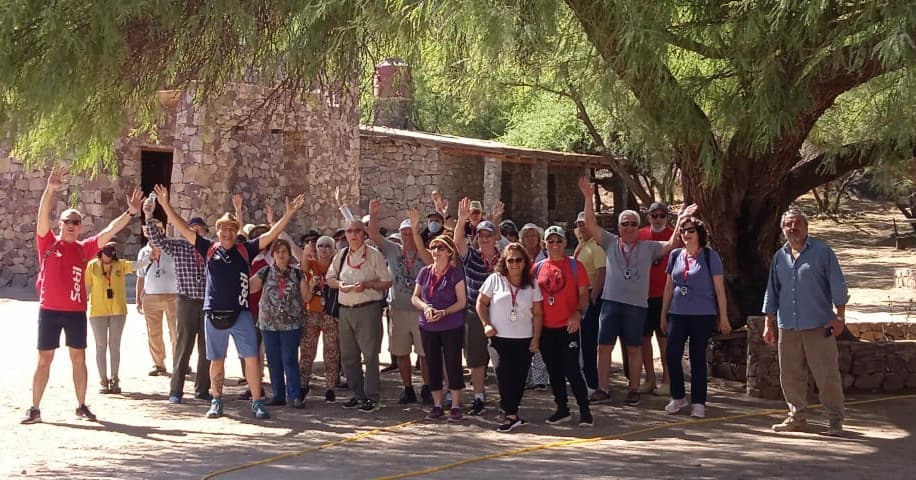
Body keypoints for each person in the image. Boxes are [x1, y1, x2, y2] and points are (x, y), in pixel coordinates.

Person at [151, 184, 304, 420]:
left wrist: (289, 213)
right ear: (218, 231)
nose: (227, 233)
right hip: (213, 314)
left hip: (241, 314)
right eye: (223, 229)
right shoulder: (208, 248)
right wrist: (165, 205)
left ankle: (257, 402)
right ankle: (217, 400)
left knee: (251, 360)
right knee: (216, 362)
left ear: (236, 231)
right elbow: (183, 228)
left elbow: (271, 236)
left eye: (232, 229)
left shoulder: (246, 250)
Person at [22, 166, 142, 425]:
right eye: (68, 222)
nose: (72, 226)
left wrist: (131, 213)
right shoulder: (48, 243)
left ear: (80, 227)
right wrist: (50, 190)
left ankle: (80, 405)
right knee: (45, 359)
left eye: (76, 222)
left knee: (79, 358)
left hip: (75, 311)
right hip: (49, 310)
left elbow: (109, 231)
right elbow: (42, 215)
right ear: (60, 224)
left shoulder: (83, 248)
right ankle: (34, 408)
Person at [578, 176, 694, 406]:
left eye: (633, 223)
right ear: (619, 228)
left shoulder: (648, 247)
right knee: (604, 347)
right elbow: (591, 225)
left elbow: (671, 245)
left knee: (633, 347)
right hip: (611, 303)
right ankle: (602, 389)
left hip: (636, 306)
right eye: (625, 224)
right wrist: (588, 197)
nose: (629, 227)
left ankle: (633, 388)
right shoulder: (610, 242)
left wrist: (680, 220)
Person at [763, 208, 848, 436]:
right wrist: (768, 323)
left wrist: (839, 316)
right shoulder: (779, 256)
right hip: (788, 325)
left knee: (827, 375)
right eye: (788, 224)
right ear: (782, 229)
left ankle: (835, 420)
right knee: (790, 375)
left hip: (819, 325)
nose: (793, 228)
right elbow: (772, 290)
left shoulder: (822, 252)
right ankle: (797, 417)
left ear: (806, 226)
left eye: (798, 223)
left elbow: (838, 284)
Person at [659, 217, 731, 418]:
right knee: (672, 354)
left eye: (690, 230)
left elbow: (719, 289)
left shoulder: (710, 256)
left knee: (697, 358)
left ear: (699, 233)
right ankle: (678, 396)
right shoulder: (675, 255)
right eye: (682, 230)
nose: (686, 234)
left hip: (702, 314)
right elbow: (668, 287)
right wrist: (663, 314)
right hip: (677, 313)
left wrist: (723, 317)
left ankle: (699, 402)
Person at [144, 208, 212, 404]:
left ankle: (202, 389)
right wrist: (149, 216)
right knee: (183, 347)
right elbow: (157, 242)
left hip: (206, 302)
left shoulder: (209, 249)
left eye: (201, 230)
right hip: (186, 301)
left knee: (206, 349)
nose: (198, 233)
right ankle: (176, 390)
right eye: (194, 229)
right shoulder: (179, 246)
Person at [368, 199, 431, 405]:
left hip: (420, 311)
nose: (406, 237)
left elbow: (429, 262)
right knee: (402, 352)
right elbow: (374, 236)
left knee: (424, 354)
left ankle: (427, 387)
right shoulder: (393, 250)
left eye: (410, 233)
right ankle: (407, 388)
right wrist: (373, 215)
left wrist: (416, 233)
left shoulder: (423, 252)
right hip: (398, 310)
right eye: (403, 233)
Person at [327, 219, 393, 413]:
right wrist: (340, 285)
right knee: (348, 357)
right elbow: (329, 278)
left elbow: (387, 282)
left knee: (371, 356)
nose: (353, 234)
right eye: (349, 231)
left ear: (364, 233)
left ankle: (372, 397)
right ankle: (357, 395)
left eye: (357, 230)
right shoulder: (340, 255)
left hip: (368, 309)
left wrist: (368, 285)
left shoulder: (374, 255)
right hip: (345, 310)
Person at [477, 243, 543, 432]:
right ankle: (510, 415)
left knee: (519, 377)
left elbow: (538, 314)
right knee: (503, 374)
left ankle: (511, 412)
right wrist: (486, 324)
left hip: (524, 338)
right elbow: (481, 303)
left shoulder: (532, 283)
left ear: (525, 262)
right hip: (499, 338)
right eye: (510, 260)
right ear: (504, 262)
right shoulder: (495, 279)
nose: (514, 264)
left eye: (518, 260)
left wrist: (536, 338)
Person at [534, 226, 593, 426]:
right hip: (546, 328)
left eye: (559, 241)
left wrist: (577, 313)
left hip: (568, 326)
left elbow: (584, 294)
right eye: (551, 241)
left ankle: (585, 409)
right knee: (554, 369)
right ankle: (562, 408)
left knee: (572, 368)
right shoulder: (538, 268)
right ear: (545, 244)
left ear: (566, 243)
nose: (555, 245)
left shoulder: (576, 267)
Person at [412, 235, 467, 421]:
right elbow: (415, 297)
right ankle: (436, 404)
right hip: (428, 326)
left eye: (440, 248)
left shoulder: (455, 274)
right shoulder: (425, 272)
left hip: (451, 325)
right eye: (433, 247)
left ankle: (455, 405)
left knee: (453, 363)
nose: (435, 252)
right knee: (432, 364)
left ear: (449, 252)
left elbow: (462, 302)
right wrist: (426, 307)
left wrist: (444, 312)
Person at [250, 238, 309, 408]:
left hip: (291, 324)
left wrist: (308, 284)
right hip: (268, 324)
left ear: (290, 255)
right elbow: (250, 287)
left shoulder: (298, 273)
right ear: (273, 254)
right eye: (278, 252)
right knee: (273, 359)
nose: (281, 255)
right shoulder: (264, 272)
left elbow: (306, 297)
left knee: (290, 359)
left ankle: (295, 395)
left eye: (284, 252)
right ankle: (278, 395)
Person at [454, 197, 498, 416]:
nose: (485, 239)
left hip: (499, 314)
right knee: (476, 358)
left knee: (502, 357)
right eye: (481, 235)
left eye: (488, 235)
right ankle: (479, 396)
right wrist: (461, 221)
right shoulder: (471, 257)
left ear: (495, 237)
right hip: (473, 313)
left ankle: (508, 397)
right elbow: (458, 243)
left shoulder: (505, 259)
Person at [87, 242, 146, 394]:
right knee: (101, 346)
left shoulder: (120, 265)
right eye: (107, 253)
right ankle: (103, 380)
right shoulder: (92, 266)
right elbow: (86, 287)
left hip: (118, 311)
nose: (109, 256)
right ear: (101, 252)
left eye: (112, 253)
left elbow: (136, 265)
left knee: (115, 345)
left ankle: (115, 379)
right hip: (97, 312)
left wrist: (150, 258)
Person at [637, 202, 674, 396]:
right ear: (648, 216)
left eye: (662, 215)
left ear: (666, 217)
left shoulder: (674, 236)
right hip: (643, 295)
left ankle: (667, 380)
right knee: (644, 338)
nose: (658, 219)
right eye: (654, 215)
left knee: (664, 339)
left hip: (664, 296)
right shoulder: (641, 235)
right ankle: (649, 378)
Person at [300, 235, 342, 403]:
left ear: (333, 250)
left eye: (327, 246)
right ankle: (303, 385)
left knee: (331, 352)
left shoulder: (338, 267)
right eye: (320, 246)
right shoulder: (310, 265)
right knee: (307, 351)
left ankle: (330, 388)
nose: (324, 249)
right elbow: (301, 262)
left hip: (330, 314)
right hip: (312, 313)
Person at [136, 219, 179, 377]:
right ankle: (158, 364)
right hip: (151, 296)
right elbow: (140, 276)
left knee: (176, 332)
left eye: (159, 229)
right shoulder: (143, 252)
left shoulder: (171, 248)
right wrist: (138, 297)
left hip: (173, 295)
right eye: (152, 229)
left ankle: (179, 363)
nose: (156, 232)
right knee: (153, 333)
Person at [573, 211, 606, 393]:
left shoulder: (597, 246)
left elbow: (602, 271)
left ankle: (593, 384)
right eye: (578, 224)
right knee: (582, 342)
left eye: (584, 224)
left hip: (592, 296)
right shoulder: (582, 245)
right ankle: (586, 379)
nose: (581, 228)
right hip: (582, 295)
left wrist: (594, 297)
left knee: (589, 341)